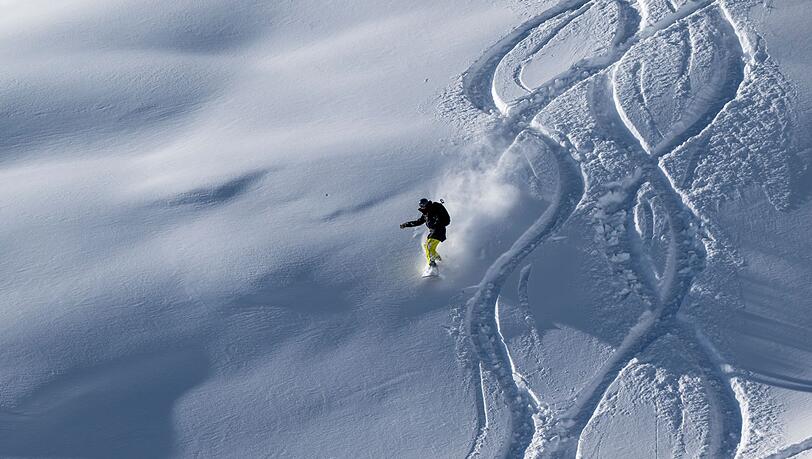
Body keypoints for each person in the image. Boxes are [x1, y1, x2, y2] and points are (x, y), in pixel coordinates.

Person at [400, 198, 451, 268]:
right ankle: (440, 261)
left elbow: (445, 217)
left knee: (428, 246)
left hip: (439, 230)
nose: (422, 206)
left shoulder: (435, 207)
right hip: (433, 232)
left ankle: (432, 265)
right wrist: (406, 224)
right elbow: (418, 222)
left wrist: (438, 218)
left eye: (423, 204)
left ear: (427, 203)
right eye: (421, 205)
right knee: (428, 247)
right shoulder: (425, 215)